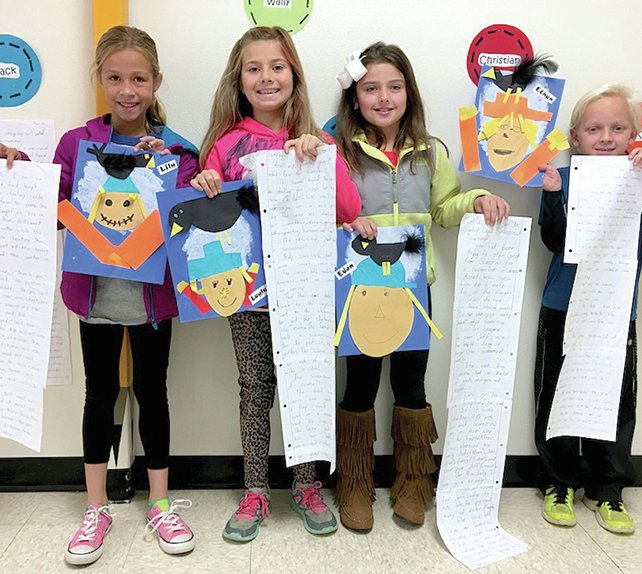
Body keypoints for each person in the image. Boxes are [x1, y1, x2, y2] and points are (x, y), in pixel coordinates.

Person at [191, 26, 361, 542]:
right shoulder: (225, 144)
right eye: (254, 68)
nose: (266, 77)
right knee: (255, 387)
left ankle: (307, 486)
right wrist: (204, 185)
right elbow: (200, 221)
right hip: (245, 292)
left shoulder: (317, 139)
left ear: (294, 75)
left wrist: (319, 159)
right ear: (239, 80)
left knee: (305, 382)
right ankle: (256, 491)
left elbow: (350, 210)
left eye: (277, 66)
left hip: (305, 287)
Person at [333, 42, 510, 531]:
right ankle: (353, 483)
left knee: (411, 385)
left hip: (414, 289)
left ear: (409, 91)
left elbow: (444, 208)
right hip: (358, 289)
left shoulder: (431, 152)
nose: (383, 97)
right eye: (371, 88)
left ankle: (413, 482)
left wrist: (475, 199)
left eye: (394, 86)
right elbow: (326, 211)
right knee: (361, 385)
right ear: (354, 97)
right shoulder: (339, 152)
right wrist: (348, 222)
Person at [57, 26, 199, 565]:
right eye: (115, 78)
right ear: (99, 79)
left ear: (156, 81)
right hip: (93, 297)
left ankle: (160, 502)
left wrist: (172, 170)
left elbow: (185, 220)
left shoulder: (175, 148)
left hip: (151, 301)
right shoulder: (77, 143)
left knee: (153, 394)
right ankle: (96, 508)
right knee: (99, 395)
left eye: (139, 78)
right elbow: (56, 205)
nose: (127, 89)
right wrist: (18, 170)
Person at [535, 83, 642, 534]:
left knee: (615, 396)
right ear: (576, 136)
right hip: (563, 305)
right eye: (594, 128)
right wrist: (555, 193)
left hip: (616, 311)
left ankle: (609, 486)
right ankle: (559, 479)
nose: (606, 137)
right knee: (557, 392)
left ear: (634, 134)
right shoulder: (567, 177)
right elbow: (555, 241)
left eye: (618, 128)